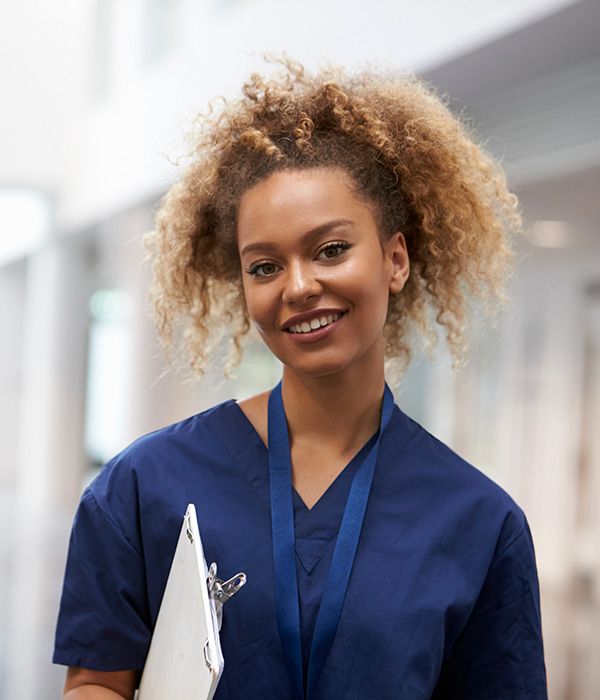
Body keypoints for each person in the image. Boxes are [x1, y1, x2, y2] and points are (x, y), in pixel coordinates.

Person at [53, 57, 549, 699]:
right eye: (264, 266)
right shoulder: (144, 486)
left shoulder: (479, 524)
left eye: (331, 249)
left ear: (395, 258)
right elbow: (97, 683)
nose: (299, 286)